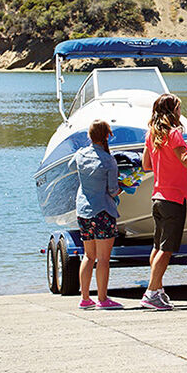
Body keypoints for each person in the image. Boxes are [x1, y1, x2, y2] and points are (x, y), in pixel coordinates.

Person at [141, 94, 187, 310]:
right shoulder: (174, 133)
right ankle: (151, 293)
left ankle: (157, 290)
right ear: (172, 110)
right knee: (166, 250)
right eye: (178, 108)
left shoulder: (151, 134)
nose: (180, 112)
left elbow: (146, 165)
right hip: (173, 199)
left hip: (157, 197)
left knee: (158, 247)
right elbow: (186, 162)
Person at [74, 120, 123, 310]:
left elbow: (72, 167)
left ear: (89, 136)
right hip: (102, 211)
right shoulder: (109, 160)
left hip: (83, 211)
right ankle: (102, 299)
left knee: (88, 255)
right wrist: (122, 188)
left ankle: (85, 298)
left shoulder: (80, 155)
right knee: (103, 259)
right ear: (107, 136)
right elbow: (112, 190)